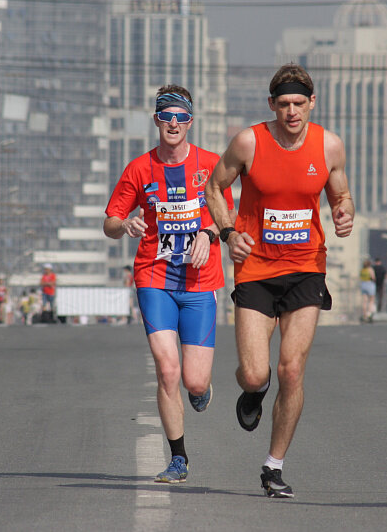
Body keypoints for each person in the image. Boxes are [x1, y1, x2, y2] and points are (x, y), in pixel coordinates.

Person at [205, 63, 354, 498]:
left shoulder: (329, 146)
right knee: (255, 373)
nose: (292, 112)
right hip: (255, 269)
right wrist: (229, 233)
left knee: (292, 369)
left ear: (312, 103)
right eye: (284, 104)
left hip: (306, 266)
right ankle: (255, 391)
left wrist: (344, 212)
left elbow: (340, 194)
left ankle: (274, 466)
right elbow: (215, 187)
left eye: (299, 104)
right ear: (272, 105)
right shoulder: (249, 142)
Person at [103, 84, 235, 484]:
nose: (173, 124)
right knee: (167, 369)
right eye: (166, 116)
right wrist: (124, 224)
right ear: (157, 120)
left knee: (193, 380)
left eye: (181, 117)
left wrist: (209, 234)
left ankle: (200, 389)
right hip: (154, 277)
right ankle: (178, 459)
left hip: (200, 282)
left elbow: (228, 215)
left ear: (190, 121)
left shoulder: (212, 164)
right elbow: (109, 222)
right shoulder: (139, 169)